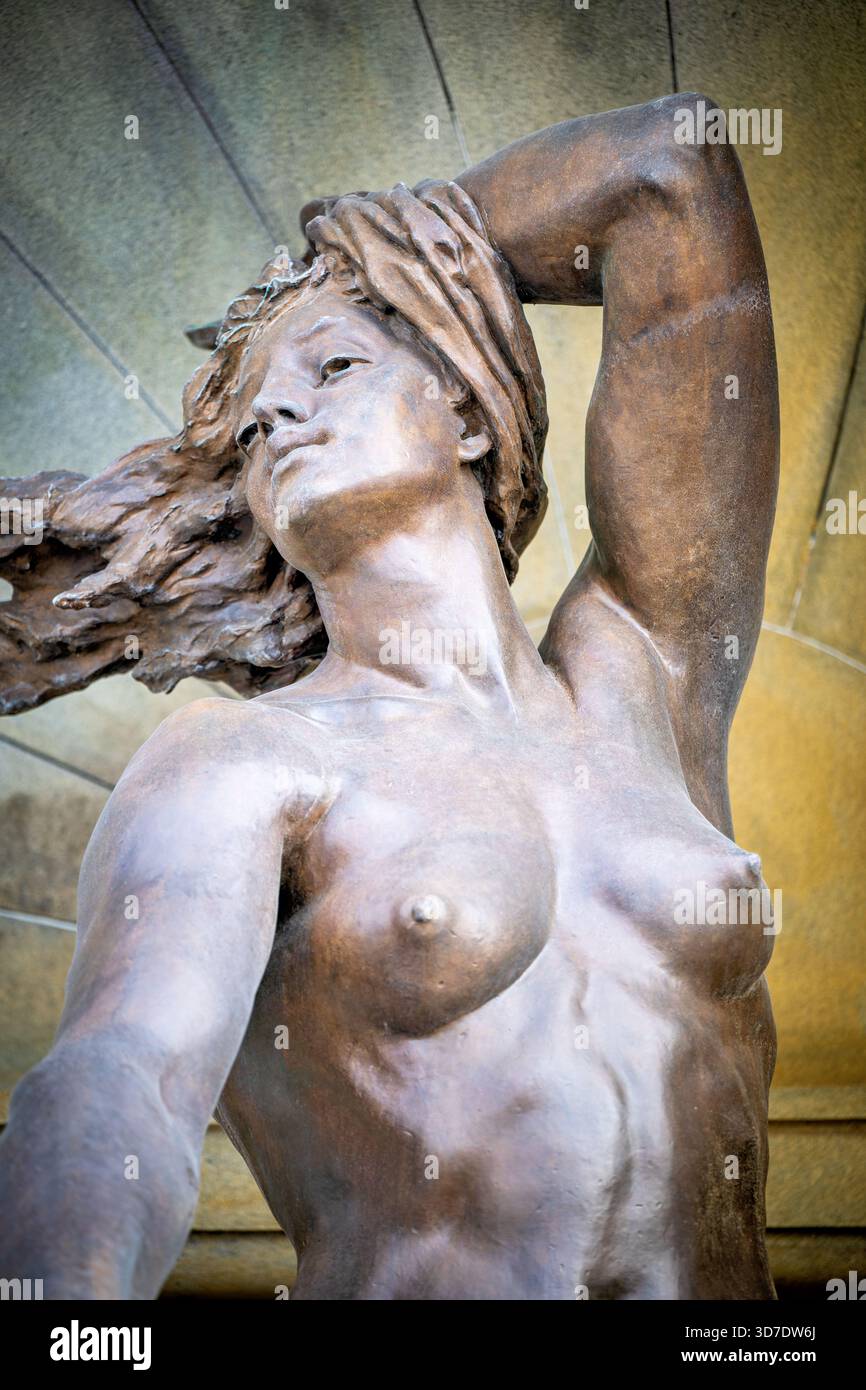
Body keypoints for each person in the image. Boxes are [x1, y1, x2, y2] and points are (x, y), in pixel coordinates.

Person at [0, 93, 779, 1300]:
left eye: (337, 364)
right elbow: (124, 1076)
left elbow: (668, 170)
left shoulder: (643, 674)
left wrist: (390, 266)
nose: (276, 410)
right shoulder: (246, 760)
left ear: (465, 410)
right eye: (253, 416)